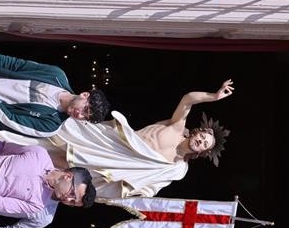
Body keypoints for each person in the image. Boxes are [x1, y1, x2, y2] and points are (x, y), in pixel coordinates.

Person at [49, 79, 233, 198]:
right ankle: (44, 118)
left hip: (119, 165)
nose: (201, 141)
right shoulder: (177, 127)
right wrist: (213, 96)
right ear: (197, 132)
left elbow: (153, 186)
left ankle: (41, 165)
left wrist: (141, 193)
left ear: (203, 152)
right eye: (203, 136)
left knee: (69, 163)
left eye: (205, 144)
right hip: (116, 143)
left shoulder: (177, 168)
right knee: (69, 133)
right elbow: (188, 99)